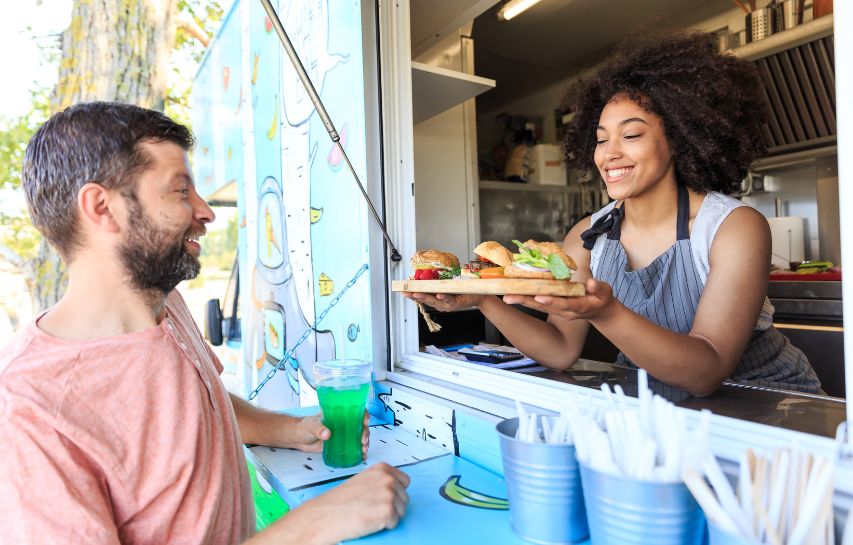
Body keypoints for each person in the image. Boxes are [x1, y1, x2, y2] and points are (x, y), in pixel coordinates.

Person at [0, 102, 409, 544]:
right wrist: (315, 524)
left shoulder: (167, 305)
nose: (206, 211)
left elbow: (199, 405)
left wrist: (294, 430)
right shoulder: (28, 411)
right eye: (181, 191)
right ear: (102, 207)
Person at [408, 30, 821, 400]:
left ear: (679, 139)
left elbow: (706, 371)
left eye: (632, 135)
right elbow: (560, 349)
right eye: (601, 139)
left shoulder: (731, 226)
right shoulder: (588, 237)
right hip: (660, 412)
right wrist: (484, 301)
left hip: (772, 407)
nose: (610, 154)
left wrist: (605, 312)